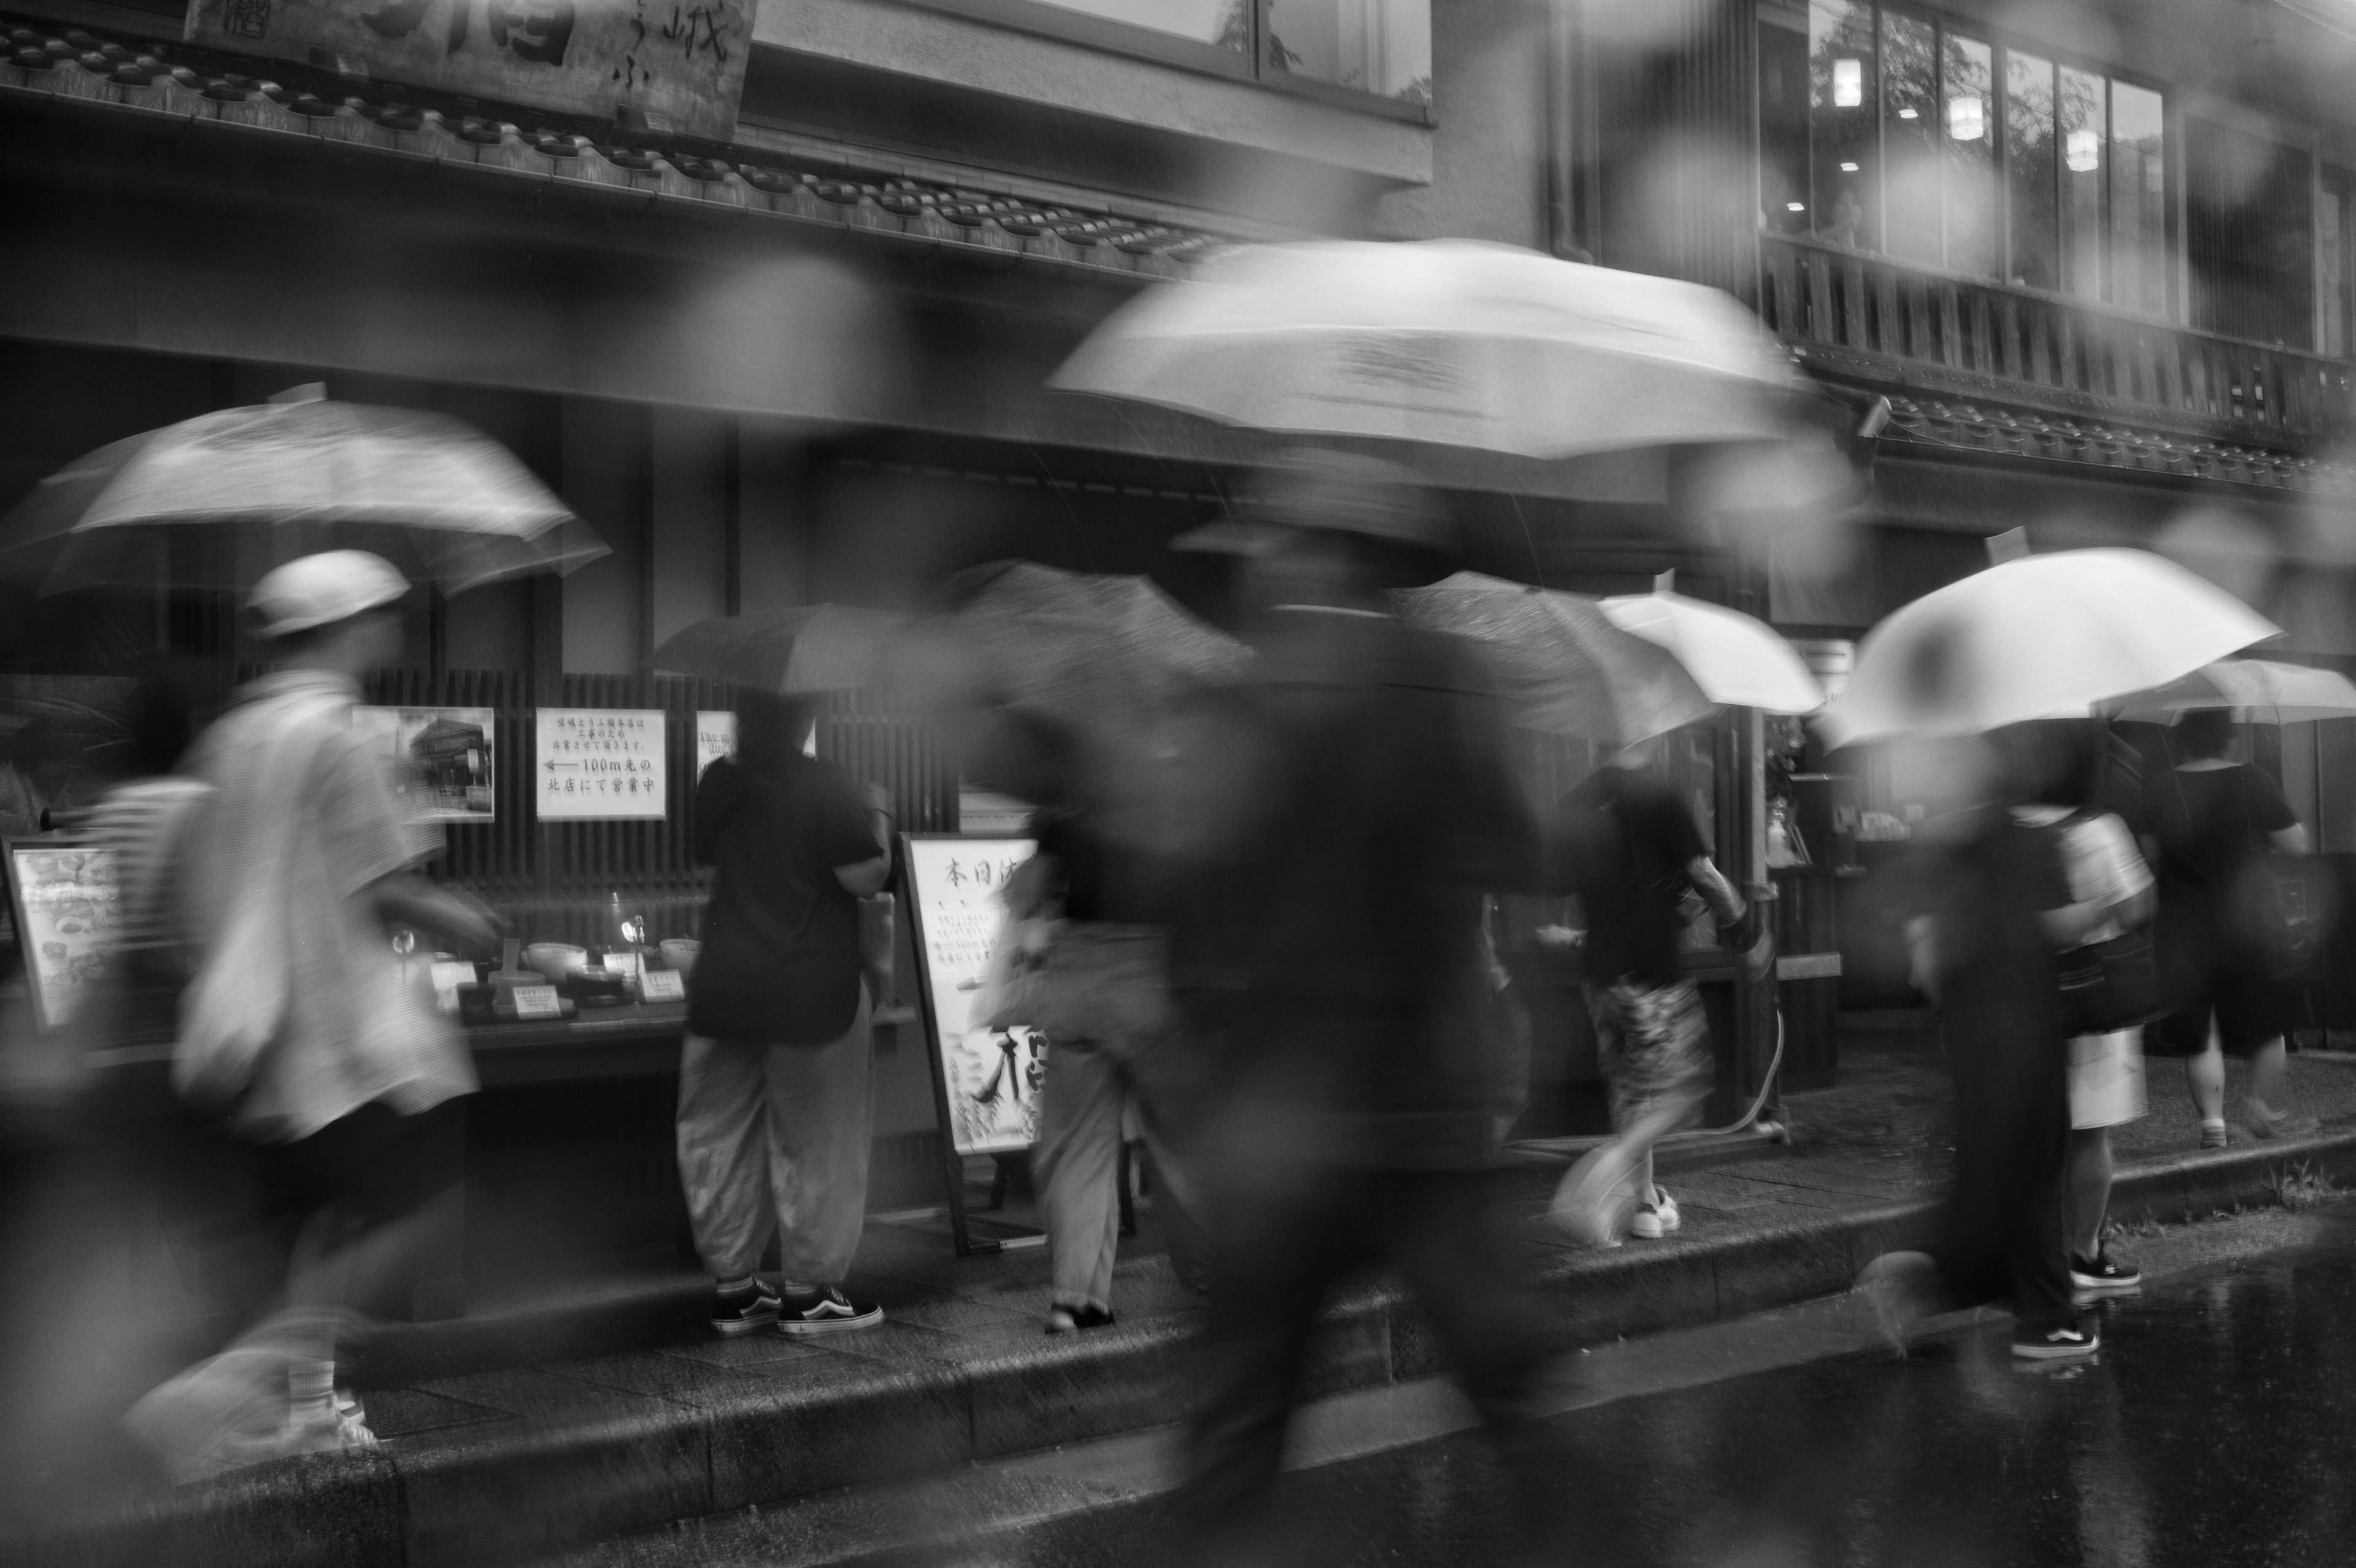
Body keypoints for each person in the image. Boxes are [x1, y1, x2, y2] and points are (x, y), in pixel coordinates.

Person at [1166, 450, 1564, 1563]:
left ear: (1314, 555)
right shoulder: (1450, 679)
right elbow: (1523, 849)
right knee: (1504, 1380)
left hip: (1282, 1113)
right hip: (1423, 1096)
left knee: (1242, 1409)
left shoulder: (1239, 696)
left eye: (1276, 544)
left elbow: (1192, 913)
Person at [125, 551, 502, 1480]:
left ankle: (302, 1409)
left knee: (309, 1232)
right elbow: (390, 887)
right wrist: (472, 924)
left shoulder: (228, 738)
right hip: (345, 1041)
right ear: (351, 626)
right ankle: (243, 1382)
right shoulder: (342, 736)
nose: (394, 630)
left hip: (251, 1037)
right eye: (385, 615)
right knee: (414, 1208)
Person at [1855, 729, 2099, 1362]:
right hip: (2029, 1033)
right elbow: (2058, 926)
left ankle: (1931, 1281)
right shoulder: (2041, 844)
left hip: (1970, 1037)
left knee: (1996, 1179)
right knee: (2038, 1177)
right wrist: (2107, 908)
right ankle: (2042, 1320)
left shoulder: (1945, 849)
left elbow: (1923, 964)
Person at [979, 710, 1205, 1334]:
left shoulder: (1066, 806)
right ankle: (1217, 1277)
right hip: (1150, 973)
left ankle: (1076, 1298)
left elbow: (1021, 894)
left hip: (1075, 977)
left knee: (1075, 1145)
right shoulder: (1177, 790)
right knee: (1182, 1136)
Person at [677, 690, 891, 1337]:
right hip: (810, 991)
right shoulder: (826, 784)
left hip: (724, 986)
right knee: (819, 1140)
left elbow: (709, 854)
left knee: (719, 1136)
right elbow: (866, 878)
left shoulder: (718, 781)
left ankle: (736, 1289)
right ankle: (811, 1291)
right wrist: (875, 811)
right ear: (804, 720)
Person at [1541, 733, 1768, 1247]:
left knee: (1632, 1091)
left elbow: (1558, 880)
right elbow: (1704, 876)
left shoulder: (1575, 801)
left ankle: (1644, 1204)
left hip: (1599, 974)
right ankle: (1606, 1171)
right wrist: (1747, 937)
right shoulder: (1660, 797)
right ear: (1646, 735)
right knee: (1682, 1089)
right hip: (1652, 973)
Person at [2006, 721, 2151, 1300]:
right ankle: (2084, 1254)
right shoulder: (2098, 829)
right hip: (2092, 999)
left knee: (2029, 1133)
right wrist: (2095, 907)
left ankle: (2028, 1257)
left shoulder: (2006, 829)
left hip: (2017, 1000)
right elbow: (2140, 903)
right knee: (2090, 1133)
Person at [2144, 707, 2312, 1148]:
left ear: (2183, 737)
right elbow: (2297, 845)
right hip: (2251, 920)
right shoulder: (2254, 780)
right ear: (2228, 737)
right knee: (2268, 1024)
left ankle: (2213, 1127)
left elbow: (2150, 856)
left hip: (2184, 924)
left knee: (2202, 1031)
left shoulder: (2162, 786)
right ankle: (2261, 1112)